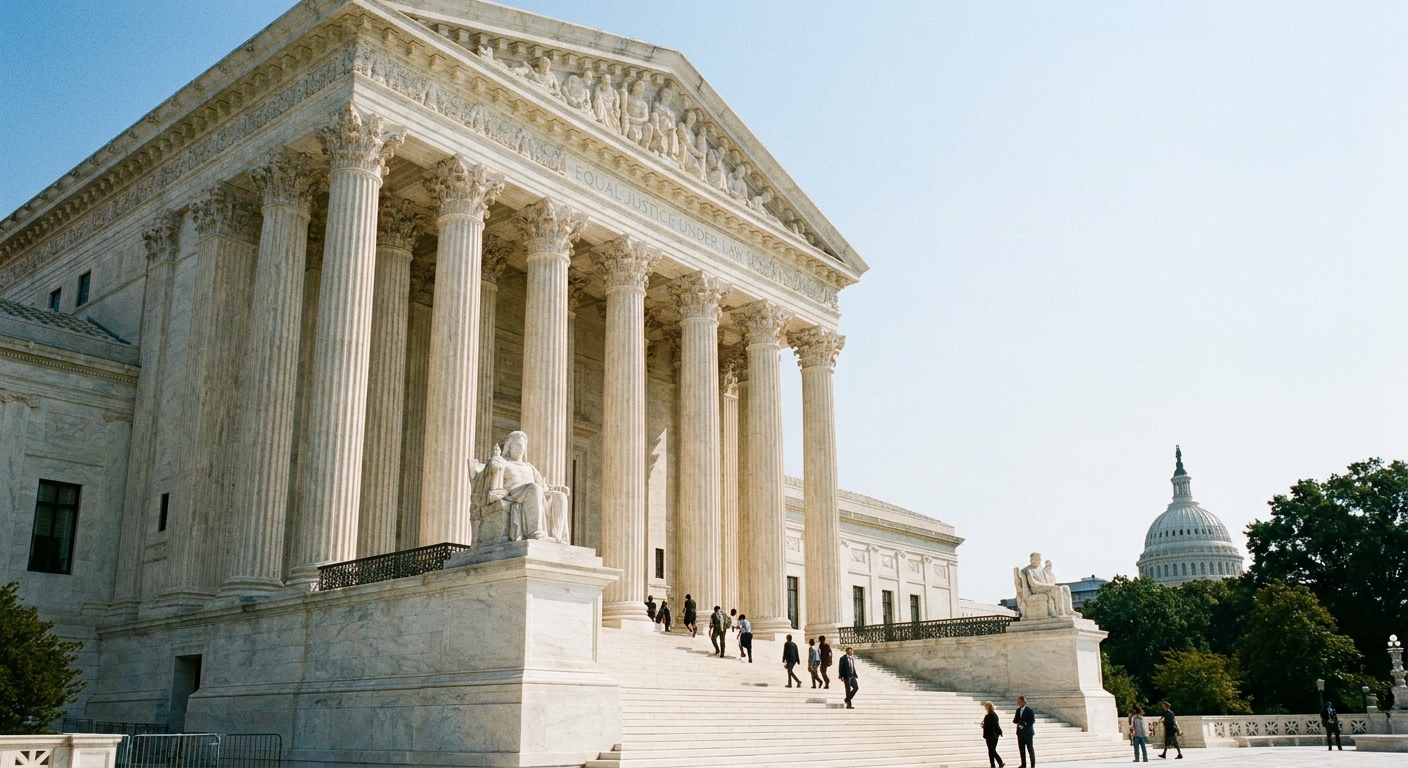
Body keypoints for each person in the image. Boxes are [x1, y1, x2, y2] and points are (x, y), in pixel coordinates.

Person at [1012, 696, 1035, 768]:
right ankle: (1023, 764)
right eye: (1018, 702)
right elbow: (1015, 720)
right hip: (1020, 733)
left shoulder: (1029, 710)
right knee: (1021, 750)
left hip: (1028, 733)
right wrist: (1018, 722)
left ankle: (1032, 765)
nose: (1018, 703)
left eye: (1020, 702)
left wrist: (1025, 723)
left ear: (1024, 702)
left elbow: (1032, 721)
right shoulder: (1018, 710)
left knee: (1030, 749)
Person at [981, 701, 1005, 768]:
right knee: (991, 750)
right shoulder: (994, 715)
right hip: (994, 735)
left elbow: (990, 726)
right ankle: (993, 765)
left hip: (991, 735)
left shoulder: (988, 716)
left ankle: (1000, 762)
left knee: (991, 750)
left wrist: (984, 726)